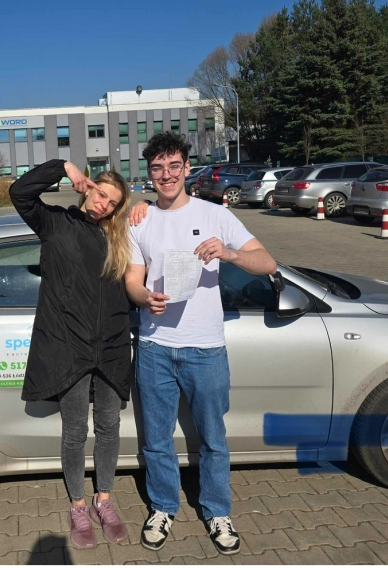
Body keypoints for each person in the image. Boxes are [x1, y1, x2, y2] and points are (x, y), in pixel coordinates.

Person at [125, 133, 277, 555]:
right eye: (158, 168)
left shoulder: (216, 215)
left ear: (187, 168)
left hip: (206, 349)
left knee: (213, 439)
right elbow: (132, 279)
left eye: (174, 166)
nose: (167, 175)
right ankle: (162, 507)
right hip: (155, 346)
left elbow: (267, 262)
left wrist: (229, 253)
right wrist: (144, 298)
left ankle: (217, 511)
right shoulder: (139, 220)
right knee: (157, 440)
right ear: (150, 173)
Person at [10, 160, 132, 549]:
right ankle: (79, 505)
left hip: (111, 344)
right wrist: (62, 168)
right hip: (69, 345)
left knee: (110, 426)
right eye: (101, 194)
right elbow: (20, 193)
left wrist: (144, 207)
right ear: (89, 188)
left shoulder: (117, 238)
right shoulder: (54, 222)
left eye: (112, 203)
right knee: (76, 431)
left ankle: (104, 500)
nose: (103, 205)